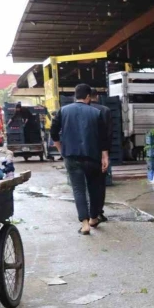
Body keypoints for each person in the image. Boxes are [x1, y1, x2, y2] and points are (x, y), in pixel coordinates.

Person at [50, 84, 108, 235]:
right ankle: (94, 218)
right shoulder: (96, 112)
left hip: (72, 156)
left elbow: (53, 132)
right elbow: (103, 137)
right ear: (88, 97)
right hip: (92, 156)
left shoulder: (63, 111)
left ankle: (84, 224)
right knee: (94, 188)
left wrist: (60, 149)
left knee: (78, 189)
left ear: (75, 96)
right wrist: (105, 156)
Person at [90, 88, 112, 223]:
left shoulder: (80, 110)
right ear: (96, 96)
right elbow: (109, 133)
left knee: (87, 185)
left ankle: (89, 214)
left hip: (84, 152)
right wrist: (107, 153)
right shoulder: (105, 110)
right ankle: (98, 212)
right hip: (100, 152)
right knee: (99, 184)